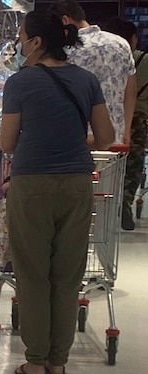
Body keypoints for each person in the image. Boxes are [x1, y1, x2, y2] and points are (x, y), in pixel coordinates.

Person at [0, 10, 115, 374]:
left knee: (33, 274)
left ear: (36, 42)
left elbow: (9, 142)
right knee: (67, 275)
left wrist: (14, 142)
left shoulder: (20, 83)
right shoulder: (86, 80)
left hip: (32, 184)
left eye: (21, 38)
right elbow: (106, 137)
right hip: (78, 183)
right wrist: (71, 142)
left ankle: (35, 361)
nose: (19, 45)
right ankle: (58, 361)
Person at [51, 1, 136, 149]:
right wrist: (125, 130)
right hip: (115, 138)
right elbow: (130, 91)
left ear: (65, 21)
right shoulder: (121, 43)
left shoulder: (66, 51)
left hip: (77, 140)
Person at [102, 17, 147, 230]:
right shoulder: (144, 60)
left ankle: (103, 202)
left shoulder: (105, 57)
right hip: (138, 118)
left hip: (105, 115)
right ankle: (126, 201)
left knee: (105, 161)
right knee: (134, 164)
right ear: (134, 39)